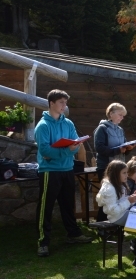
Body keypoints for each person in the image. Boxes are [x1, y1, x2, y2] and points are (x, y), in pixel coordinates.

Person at [35, 89, 93, 257]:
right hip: (49, 171)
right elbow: (45, 151)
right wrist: (67, 151)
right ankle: (43, 242)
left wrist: (67, 151)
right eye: (61, 102)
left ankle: (73, 234)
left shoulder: (68, 123)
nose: (64, 106)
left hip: (67, 169)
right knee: (45, 207)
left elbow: (75, 144)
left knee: (68, 205)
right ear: (51, 103)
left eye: (65, 103)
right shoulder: (43, 126)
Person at [95, 160, 136, 272]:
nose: (127, 175)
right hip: (116, 217)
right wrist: (129, 200)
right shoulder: (109, 188)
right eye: (124, 173)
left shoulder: (120, 185)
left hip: (123, 213)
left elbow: (124, 201)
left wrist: (134, 197)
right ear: (115, 174)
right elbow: (113, 210)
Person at [94, 103, 130, 181]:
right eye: (120, 115)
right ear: (111, 114)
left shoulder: (120, 130)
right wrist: (117, 150)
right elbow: (99, 148)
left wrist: (129, 148)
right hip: (106, 167)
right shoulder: (102, 128)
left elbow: (124, 147)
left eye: (123, 115)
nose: (122, 117)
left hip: (119, 166)